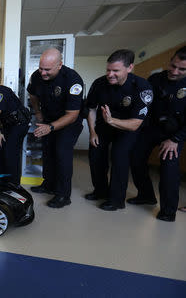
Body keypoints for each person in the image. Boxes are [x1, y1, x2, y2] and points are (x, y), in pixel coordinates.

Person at [86, 49, 153, 211]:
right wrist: (93, 132)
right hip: (103, 127)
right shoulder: (99, 83)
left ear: (130, 68)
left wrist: (111, 120)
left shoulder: (142, 87)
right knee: (95, 155)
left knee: (119, 157)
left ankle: (116, 200)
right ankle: (100, 191)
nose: (110, 74)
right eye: (108, 70)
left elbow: (135, 124)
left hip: (127, 129)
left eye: (115, 71)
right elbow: (91, 109)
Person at [129, 46, 186, 222]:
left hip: (175, 134)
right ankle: (146, 195)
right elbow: (144, 104)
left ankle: (168, 212)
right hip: (151, 129)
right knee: (136, 158)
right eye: (173, 65)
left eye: (182, 69)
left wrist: (176, 139)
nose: (174, 71)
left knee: (169, 168)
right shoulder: (155, 79)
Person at [27, 48, 83, 208]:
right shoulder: (36, 76)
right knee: (48, 152)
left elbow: (72, 114)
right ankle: (49, 184)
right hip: (48, 119)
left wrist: (50, 127)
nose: (43, 73)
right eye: (41, 68)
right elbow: (32, 94)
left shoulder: (72, 80)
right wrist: (37, 112)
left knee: (62, 154)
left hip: (69, 123)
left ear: (60, 65)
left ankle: (63, 195)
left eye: (47, 70)